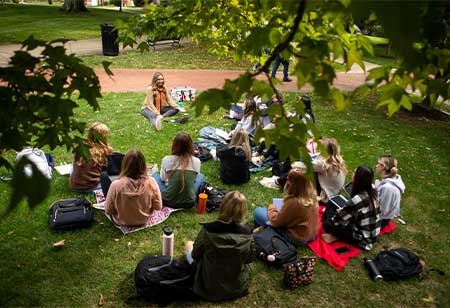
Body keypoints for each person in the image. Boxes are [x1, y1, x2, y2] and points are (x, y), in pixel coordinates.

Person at [185, 191, 255, 302]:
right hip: (236, 286)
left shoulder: (208, 230)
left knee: (189, 244)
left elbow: (195, 255)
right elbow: (249, 258)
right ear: (243, 211)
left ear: (222, 206)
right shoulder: (248, 233)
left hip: (208, 286)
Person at [253, 168, 319, 247]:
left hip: (297, 238)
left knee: (259, 212)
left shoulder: (294, 202)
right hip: (311, 234)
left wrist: (272, 208)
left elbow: (276, 221)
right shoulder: (312, 195)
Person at [321, 166, 382, 250]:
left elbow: (337, 219)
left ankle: (336, 237)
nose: (352, 174)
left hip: (362, 238)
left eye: (354, 173)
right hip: (372, 232)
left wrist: (330, 217)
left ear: (358, 179)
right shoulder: (372, 188)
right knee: (334, 207)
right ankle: (336, 236)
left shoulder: (356, 200)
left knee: (326, 224)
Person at [104, 149, 162, 227]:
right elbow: (158, 206)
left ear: (124, 164)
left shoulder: (116, 185)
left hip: (121, 221)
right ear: (143, 165)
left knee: (104, 177)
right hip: (144, 220)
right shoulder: (151, 182)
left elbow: (108, 210)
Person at [153, 132, 204, 209]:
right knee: (201, 176)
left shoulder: (167, 160)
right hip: (189, 203)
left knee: (155, 176)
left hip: (167, 200)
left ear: (174, 145)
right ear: (191, 146)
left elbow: (163, 179)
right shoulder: (196, 161)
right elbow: (195, 180)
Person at [70, 122, 112, 194]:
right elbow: (108, 170)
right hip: (92, 187)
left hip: (74, 186)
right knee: (117, 178)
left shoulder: (81, 146)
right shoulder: (104, 151)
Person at [312, 137, 347, 204]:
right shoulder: (336, 159)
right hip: (334, 195)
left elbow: (301, 166)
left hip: (325, 199)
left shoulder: (323, 164)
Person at [375, 155, 405, 227]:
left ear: (383, 167)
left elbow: (383, 210)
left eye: (378, 164)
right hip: (382, 215)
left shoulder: (388, 188)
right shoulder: (391, 179)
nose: (376, 166)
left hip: (380, 220)